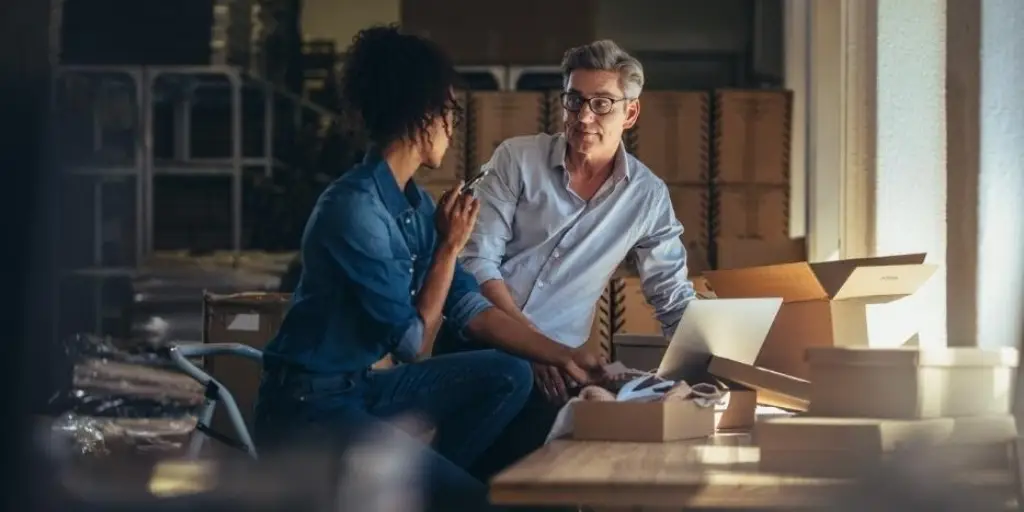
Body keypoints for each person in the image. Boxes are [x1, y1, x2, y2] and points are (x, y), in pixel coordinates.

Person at [253, 26, 604, 511]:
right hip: (309, 409)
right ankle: (430, 491)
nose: (452, 127)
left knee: (509, 373)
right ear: (423, 113)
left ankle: (417, 488)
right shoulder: (354, 210)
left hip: (359, 389)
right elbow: (412, 345)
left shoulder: (411, 203)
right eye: (450, 112)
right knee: (473, 500)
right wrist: (447, 248)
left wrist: (566, 356)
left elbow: (471, 307)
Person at [435, 40, 697, 480]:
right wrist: (536, 347)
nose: (584, 117)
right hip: (478, 342)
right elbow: (477, 261)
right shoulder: (517, 159)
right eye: (574, 101)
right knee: (467, 480)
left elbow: (671, 297)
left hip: (560, 374)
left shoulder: (647, 197)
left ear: (630, 114)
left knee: (549, 481)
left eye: (602, 104)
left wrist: (710, 365)